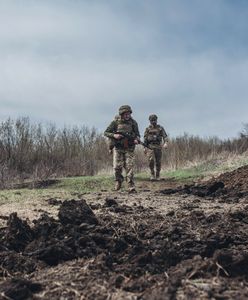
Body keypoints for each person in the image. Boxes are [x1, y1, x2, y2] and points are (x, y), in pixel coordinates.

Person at [104, 105, 140, 192]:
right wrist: (114, 135)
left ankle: (131, 185)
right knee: (117, 167)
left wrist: (137, 139)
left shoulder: (133, 123)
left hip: (129, 148)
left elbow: (137, 134)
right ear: (121, 114)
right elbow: (106, 132)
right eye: (125, 114)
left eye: (129, 114)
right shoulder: (115, 123)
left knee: (129, 166)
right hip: (118, 148)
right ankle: (118, 181)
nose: (127, 116)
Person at [144, 114, 168, 180]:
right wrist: (144, 148)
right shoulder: (147, 129)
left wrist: (165, 143)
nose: (153, 122)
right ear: (150, 121)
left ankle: (158, 175)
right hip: (150, 147)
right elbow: (145, 139)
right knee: (150, 160)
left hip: (158, 146)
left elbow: (165, 136)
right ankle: (152, 174)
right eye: (152, 120)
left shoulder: (160, 128)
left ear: (156, 120)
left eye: (154, 120)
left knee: (158, 161)